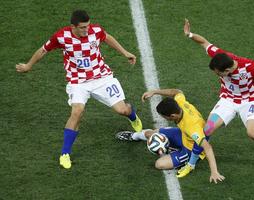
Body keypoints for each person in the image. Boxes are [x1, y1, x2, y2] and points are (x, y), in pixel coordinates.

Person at [16, 10, 143, 169]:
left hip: (102, 78)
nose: (86, 30)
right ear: (73, 27)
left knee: (122, 110)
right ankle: (65, 153)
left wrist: (125, 53)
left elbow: (107, 37)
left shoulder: (95, 31)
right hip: (78, 82)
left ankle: (132, 116)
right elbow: (43, 50)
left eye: (88, 26)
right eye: (82, 27)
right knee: (77, 112)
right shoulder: (62, 37)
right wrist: (28, 66)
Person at [182, 19, 254, 176]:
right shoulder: (220, 56)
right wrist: (189, 34)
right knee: (207, 129)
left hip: (249, 100)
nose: (217, 75)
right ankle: (191, 163)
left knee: (253, 133)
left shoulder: (249, 66)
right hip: (228, 99)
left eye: (219, 73)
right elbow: (204, 42)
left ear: (227, 70)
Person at [116, 88, 225, 184]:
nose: (164, 119)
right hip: (184, 135)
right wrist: (155, 91)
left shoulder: (192, 127)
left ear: (172, 116)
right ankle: (133, 136)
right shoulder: (179, 103)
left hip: (190, 149)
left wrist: (214, 172)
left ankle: (180, 154)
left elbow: (207, 147)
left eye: (165, 117)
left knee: (159, 164)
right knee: (152, 133)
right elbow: (177, 92)